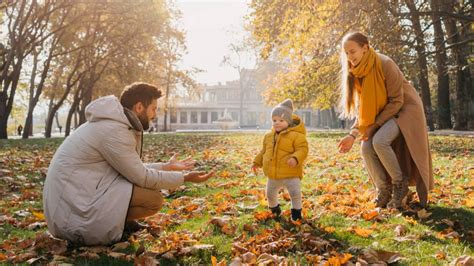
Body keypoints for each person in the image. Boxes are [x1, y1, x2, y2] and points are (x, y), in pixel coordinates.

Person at [43, 82, 214, 245]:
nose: (155, 115)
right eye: (153, 109)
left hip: (78, 199)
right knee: (153, 199)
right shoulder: (114, 131)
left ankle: (121, 224)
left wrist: (166, 167)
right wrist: (184, 178)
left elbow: (131, 168)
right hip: (71, 216)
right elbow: (141, 177)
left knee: (148, 189)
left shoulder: (113, 125)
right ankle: (111, 226)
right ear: (139, 107)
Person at [337, 32, 433, 209]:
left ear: (365, 47)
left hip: (406, 109)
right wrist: (352, 135)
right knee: (366, 147)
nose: (350, 57)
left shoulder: (385, 63)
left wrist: (374, 126)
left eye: (353, 51)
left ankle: (400, 185)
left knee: (380, 141)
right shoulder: (356, 73)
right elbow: (364, 110)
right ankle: (384, 189)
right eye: (346, 53)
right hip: (385, 112)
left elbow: (397, 100)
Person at [252, 99, 309, 222]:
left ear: (288, 121)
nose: (277, 123)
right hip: (273, 174)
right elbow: (264, 151)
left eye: (281, 120)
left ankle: (296, 213)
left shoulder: (297, 136)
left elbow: (302, 149)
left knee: (295, 193)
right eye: (274, 120)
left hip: (291, 173)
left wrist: (295, 158)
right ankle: (274, 210)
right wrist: (257, 162)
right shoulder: (268, 136)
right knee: (270, 194)